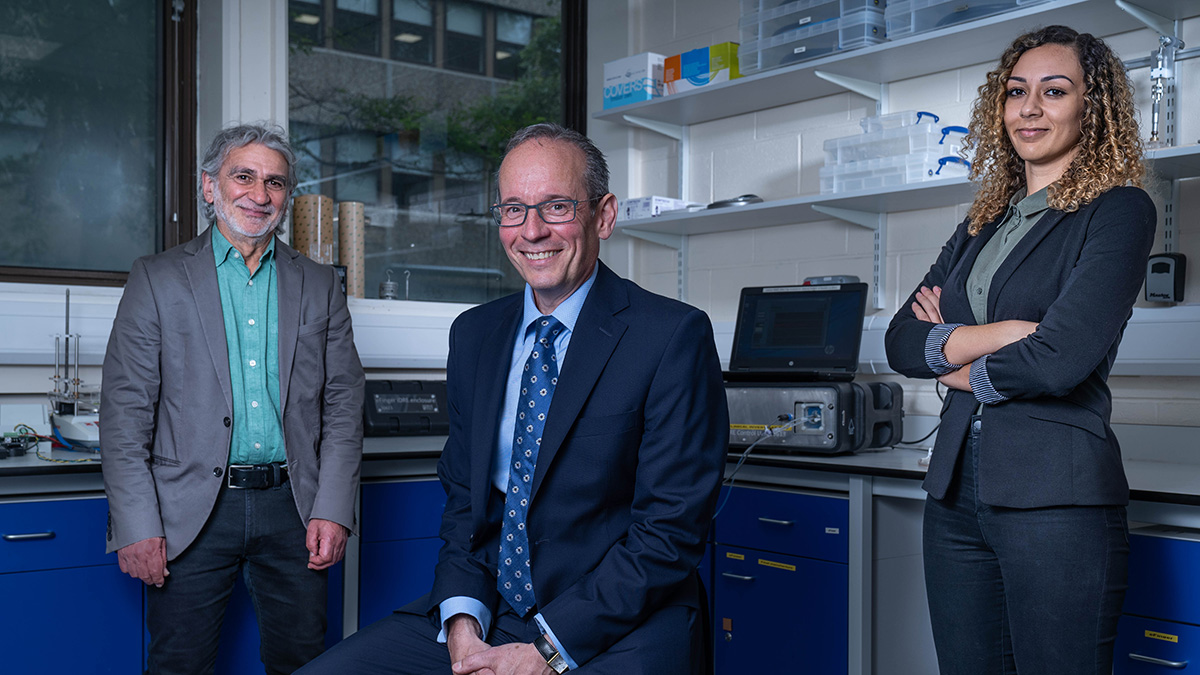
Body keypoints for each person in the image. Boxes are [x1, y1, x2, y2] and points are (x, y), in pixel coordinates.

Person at [299, 123, 728, 675]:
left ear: (603, 215)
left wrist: (547, 651)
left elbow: (668, 534)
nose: (532, 231)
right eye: (513, 209)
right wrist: (461, 623)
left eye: (555, 206)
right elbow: (464, 506)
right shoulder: (475, 335)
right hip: (493, 611)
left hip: (616, 622)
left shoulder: (670, 337)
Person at [885, 26, 1156, 674]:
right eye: (1016, 91)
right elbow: (900, 339)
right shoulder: (984, 222)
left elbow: (1061, 356)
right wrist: (1005, 333)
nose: (1029, 107)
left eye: (1054, 91)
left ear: (1092, 108)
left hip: (1054, 494)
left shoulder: (1117, 212)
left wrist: (946, 355)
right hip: (953, 495)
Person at [101, 123, 365, 675]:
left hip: (295, 508)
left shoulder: (318, 284)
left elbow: (343, 406)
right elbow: (124, 416)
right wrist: (136, 523)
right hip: (188, 511)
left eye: (275, 182)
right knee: (180, 663)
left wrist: (335, 509)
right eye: (243, 176)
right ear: (209, 186)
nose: (259, 194)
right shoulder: (157, 278)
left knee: (305, 662)